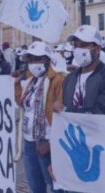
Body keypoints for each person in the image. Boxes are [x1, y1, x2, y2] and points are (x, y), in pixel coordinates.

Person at [14, 42, 64, 193]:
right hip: (29, 140)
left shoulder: (58, 80)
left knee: (55, 183)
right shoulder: (30, 81)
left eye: (37, 59)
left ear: (47, 60)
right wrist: (16, 85)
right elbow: (21, 103)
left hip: (47, 140)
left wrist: (52, 142)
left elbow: (62, 114)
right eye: (30, 60)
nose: (33, 64)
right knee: (35, 184)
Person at [62, 25, 105, 114]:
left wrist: (65, 110)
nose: (78, 50)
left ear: (97, 49)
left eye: (83, 45)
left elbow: (99, 113)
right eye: (75, 46)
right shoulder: (69, 79)